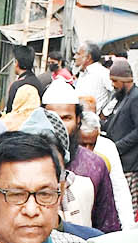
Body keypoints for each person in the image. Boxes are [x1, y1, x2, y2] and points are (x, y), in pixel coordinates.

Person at [42, 78, 122, 233]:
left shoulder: (95, 165)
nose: (58, 125)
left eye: (66, 118)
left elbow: (107, 225)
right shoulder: (27, 162)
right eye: (52, 117)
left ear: (78, 120)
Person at [103, 57, 138, 209]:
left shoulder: (137, 98)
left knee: (130, 206)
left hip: (131, 163)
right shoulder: (122, 96)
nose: (113, 85)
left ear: (124, 80)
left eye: (115, 81)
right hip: (121, 160)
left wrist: (117, 147)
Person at [72, 43, 112, 114]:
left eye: (78, 54)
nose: (75, 57)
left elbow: (118, 93)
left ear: (88, 58)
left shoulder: (102, 73)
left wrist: (105, 113)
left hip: (94, 118)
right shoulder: (82, 73)